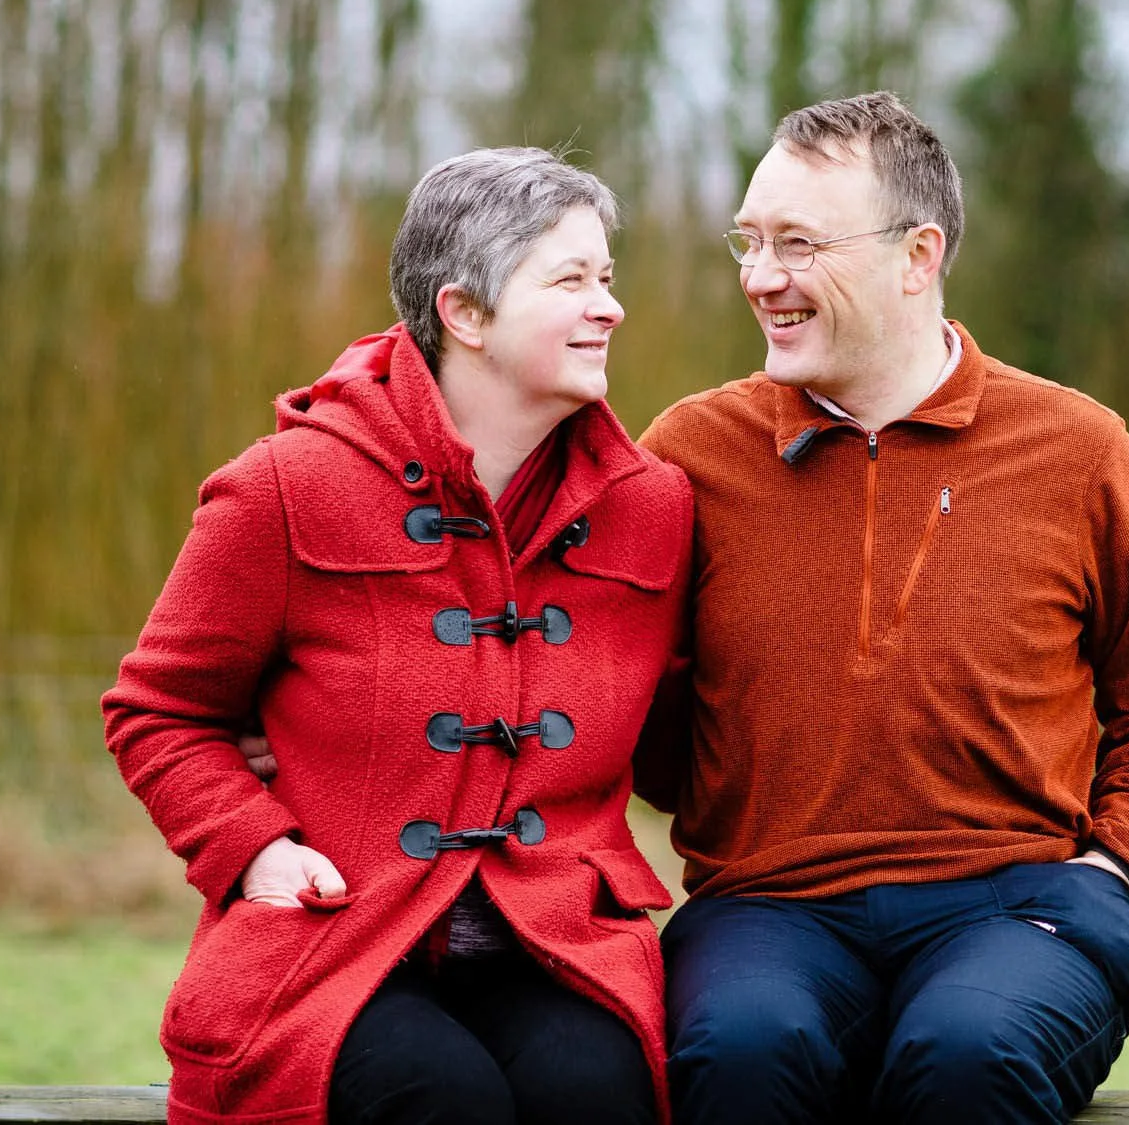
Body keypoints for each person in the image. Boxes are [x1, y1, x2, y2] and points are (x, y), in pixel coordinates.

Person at [633, 91, 1129, 1125]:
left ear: (918, 255)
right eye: (750, 238)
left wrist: (1116, 868)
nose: (759, 275)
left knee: (967, 1055)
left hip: (1019, 904)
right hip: (766, 911)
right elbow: (600, 688)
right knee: (735, 1054)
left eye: (798, 243)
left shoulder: (1078, 448)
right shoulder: (686, 456)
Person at [103, 148, 691, 1125]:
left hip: (555, 941)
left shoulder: (651, 508)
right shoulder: (287, 489)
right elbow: (158, 711)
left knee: (597, 1093)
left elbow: (695, 726)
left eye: (608, 277)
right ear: (464, 313)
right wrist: (253, 846)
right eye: (572, 280)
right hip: (334, 942)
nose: (609, 306)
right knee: (439, 1101)